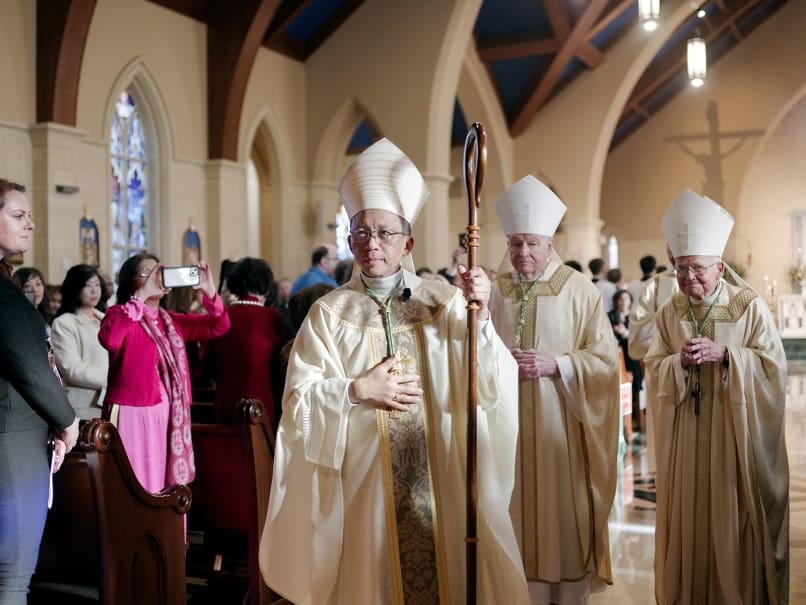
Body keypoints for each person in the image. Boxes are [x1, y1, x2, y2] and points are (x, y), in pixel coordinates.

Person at [259, 138, 530, 605]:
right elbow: (298, 402)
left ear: (409, 242)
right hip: (364, 485)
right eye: (361, 233)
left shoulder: (443, 300)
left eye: (385, 233)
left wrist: (480, 315)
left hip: (438, 473)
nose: (372, 244)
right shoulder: (328, 313)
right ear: (348, 241)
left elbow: (488, 381)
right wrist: (355, 390)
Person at [646, 189, 789, 605]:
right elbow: (654, 366)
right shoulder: (669, 312)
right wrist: (677, 364)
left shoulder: (748, 307)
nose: (689, 279)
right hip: (687, 442)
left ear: (720, 267)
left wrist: (728, 356)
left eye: (698, 270)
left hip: (733, 438)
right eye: (681, 270)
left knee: (732, 521)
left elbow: (773, 367)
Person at [488, 175, 619, 605]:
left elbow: (603, 360)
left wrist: (558, 364)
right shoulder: (496, 293)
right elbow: (478, 353)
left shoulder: (580, 291)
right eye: (514, 244)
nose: (522, 254)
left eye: (531, 244)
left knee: (560, 526)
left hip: (561, 434)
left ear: (549, 242)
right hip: (508, 439)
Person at [0, 178, 79, 603]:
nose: (29, 223)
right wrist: (68, 422)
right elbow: (30, 368)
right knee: (12, 574)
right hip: (11, 440)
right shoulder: (3, 296)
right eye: (17, 215)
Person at [98, 254, 229, 494]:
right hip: (131, 412)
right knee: (133, 483)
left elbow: (218, 326)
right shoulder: (119, 313)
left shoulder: (171, 321)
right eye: (146, 273)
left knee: (165, 484)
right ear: (130, 281)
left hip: (168, 414)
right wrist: (140, 299)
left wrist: (210, 293)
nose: (154, 278)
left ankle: (165, 531)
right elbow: (111, 339)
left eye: (158, 272)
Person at [204, 257, 287, 426]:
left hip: (226, 397)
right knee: (260, 450)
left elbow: (208, 363)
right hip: (260, 399)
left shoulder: (222, 315)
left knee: (228, 449)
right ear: (266, 285)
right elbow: (281, 361)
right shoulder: (270, 317)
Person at [628, 245, 678, 477]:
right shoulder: (655, 286)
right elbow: (638, 333)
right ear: (668, 251)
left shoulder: (722, 282)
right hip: (664, 370)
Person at [50, 264, 108, 420]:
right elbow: (71, 369)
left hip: (112, 401)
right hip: (86, 405)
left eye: (97, 284)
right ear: (75, 288)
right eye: (87, 285)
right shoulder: (65, 323)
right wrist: (113, 377)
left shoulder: (106, 319)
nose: (94, 290)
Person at [608, 289, 643, 437]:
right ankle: (619, 421)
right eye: (621, 299)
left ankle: (634, 420)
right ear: (616, 301)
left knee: (635, 383)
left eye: (627, 299)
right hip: (616, 357)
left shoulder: (634, 317)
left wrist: (625, 333)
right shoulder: (610, 316)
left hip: (632, 355)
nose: (624, 303)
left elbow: (640, 338)